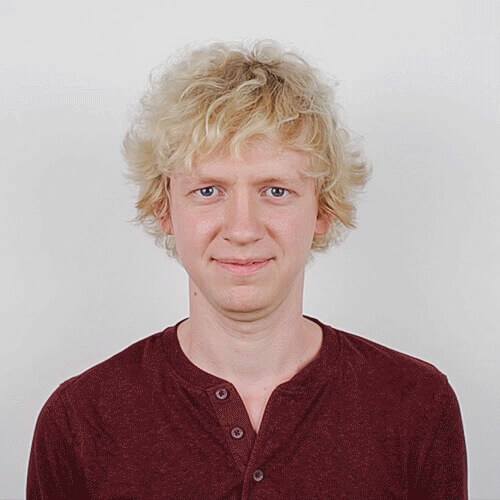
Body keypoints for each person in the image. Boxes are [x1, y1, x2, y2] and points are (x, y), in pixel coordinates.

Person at [27, 39, 468, 498]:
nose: (242, 229)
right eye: (208, 191)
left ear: (323, 209)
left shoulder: (416, 405)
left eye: (275, 191)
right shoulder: (79, 421)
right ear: (164, 207)